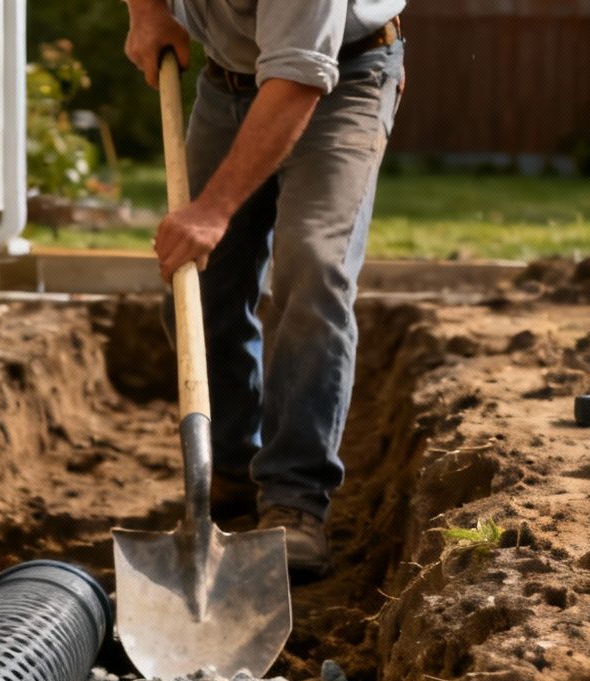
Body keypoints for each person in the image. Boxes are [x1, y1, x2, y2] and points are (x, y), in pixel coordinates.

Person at [123, 0, 406, 579]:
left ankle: (294, 499)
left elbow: (297, 78)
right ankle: (226, 471)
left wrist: (213, 209)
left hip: (341, 78)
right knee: (197, 286)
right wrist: (148, 12)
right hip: (225, 82)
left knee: (312, 265)